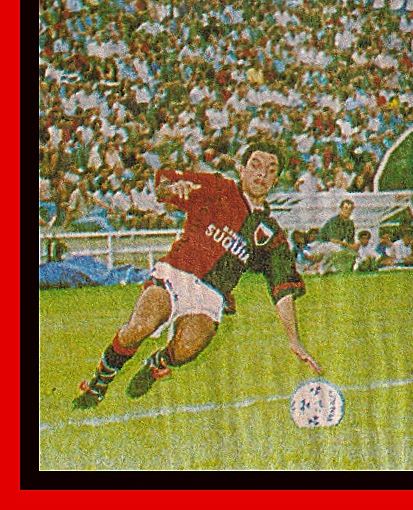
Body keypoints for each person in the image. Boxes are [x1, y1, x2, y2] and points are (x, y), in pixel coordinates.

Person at [73, 139, 323, 409]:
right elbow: (163, 186)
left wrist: (294, 340)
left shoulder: (270, 234)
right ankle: (99, 383)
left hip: (211, 295)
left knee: (186, 349)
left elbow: (282, 289)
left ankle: (159, 363)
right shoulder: (218, 188)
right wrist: (172, 187)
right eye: (256, 165)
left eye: (271, 170)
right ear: (241, 169)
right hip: (176, 273)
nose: (261, 174)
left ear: (276, 180)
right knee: (139, 326)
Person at [307, 198, 358, 273]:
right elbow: (333, 239)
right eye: (345, 208)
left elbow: (350, 240)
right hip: (321, 244)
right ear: (341, 209)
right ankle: (319, 268)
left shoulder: (350, 223)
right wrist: (348, 245)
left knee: (352, 253)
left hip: (335, 245)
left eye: (350, 209)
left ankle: (335, 269)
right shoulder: (334, 221)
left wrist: (353, 246)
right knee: (336, 249)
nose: (348, 211)